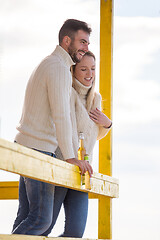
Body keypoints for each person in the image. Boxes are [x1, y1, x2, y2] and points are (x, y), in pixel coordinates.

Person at [12, 19, 93, 236]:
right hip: (37, 150)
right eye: (82, 42)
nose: (86, 48)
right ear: (67, 40)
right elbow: (62, 115)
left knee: (27, 216)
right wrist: (69, 156)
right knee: (40, 220)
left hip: (27, 146)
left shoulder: (50, 63)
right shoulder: (58, 68)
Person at [41, 51, 112, 237]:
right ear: (73, 71)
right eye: (84, 69)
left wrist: (107, 124)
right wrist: (72, 157)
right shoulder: (67, 92)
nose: (89, 74)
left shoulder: (95, 98)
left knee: (75, 233)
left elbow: (91, 135)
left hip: (82, 172)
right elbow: (67, 128)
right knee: (44, 227)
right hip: (63, 164)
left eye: (93, 69)